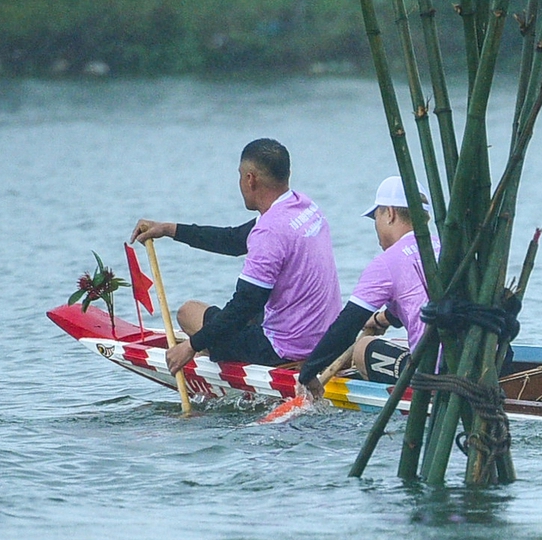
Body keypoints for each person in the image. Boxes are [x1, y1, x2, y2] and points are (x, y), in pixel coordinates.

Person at [128, 138, 339, 373]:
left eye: (239, 175)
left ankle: (208, 356)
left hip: (283, 350)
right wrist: (169, 229)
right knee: (243, 313)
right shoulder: (304, 206)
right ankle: (210, 348)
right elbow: (233, 240)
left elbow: (244, 306)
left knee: (189, 313)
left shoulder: (269, 231)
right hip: (327, 340)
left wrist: (191, 346)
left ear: (250, 179)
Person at [297, 176, 433, 393]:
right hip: (468, 360)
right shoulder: (444, 247)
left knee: (362, 347)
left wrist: (309, 373)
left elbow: (347, 326)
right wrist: (380, 318)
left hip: (431, 374)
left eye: (375, 217)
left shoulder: (388, 261)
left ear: (390, 213)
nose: (376, 226)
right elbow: (417, 303)